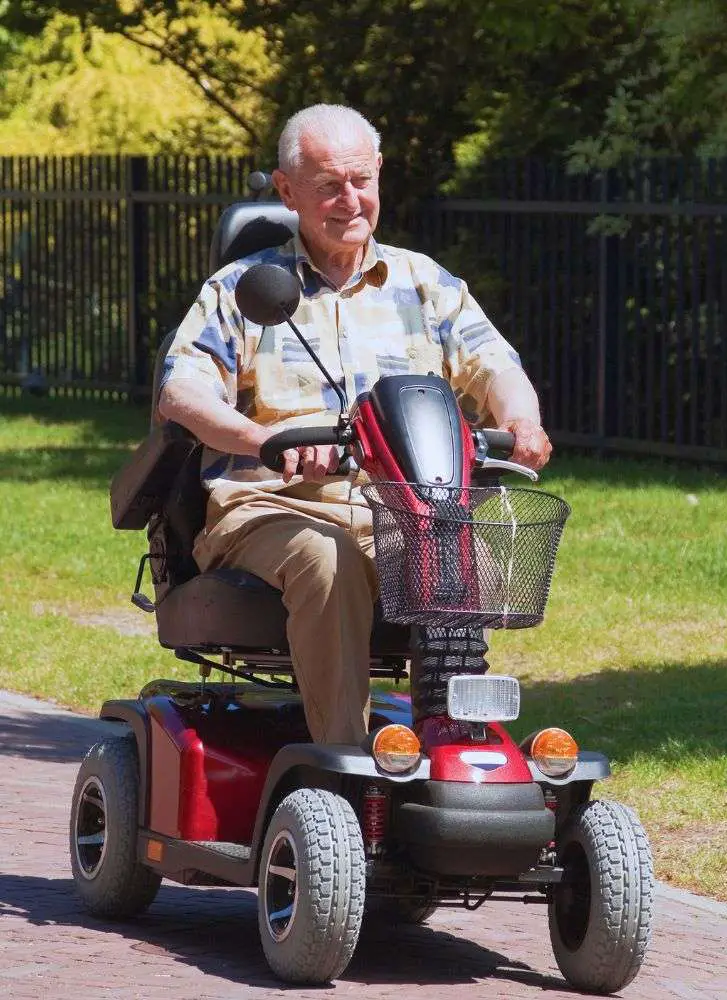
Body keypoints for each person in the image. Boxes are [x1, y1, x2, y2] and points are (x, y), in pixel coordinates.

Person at [158, 104, 551, 744]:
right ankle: (341, 766)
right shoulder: (243, 289)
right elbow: (183, 393)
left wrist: (522, 420)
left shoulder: (426, 284)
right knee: (326, 559)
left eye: (361, 181)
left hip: (401, 504)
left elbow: (493, 364)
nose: (350, 200)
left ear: (379, 174)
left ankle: (452, 740)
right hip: (269, 506)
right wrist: (265, 442)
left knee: (457, 550)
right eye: (328, 187)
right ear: (287, 192)